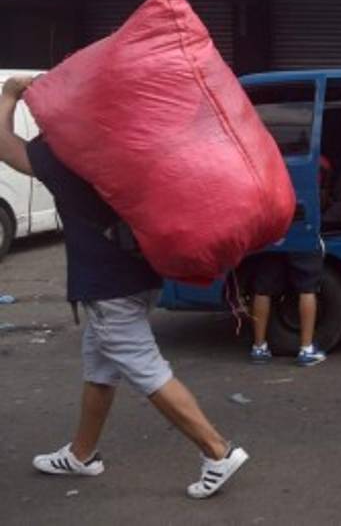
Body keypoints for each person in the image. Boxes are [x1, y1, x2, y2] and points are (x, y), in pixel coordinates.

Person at [0, 75, 248, 499]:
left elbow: (4, 147)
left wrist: (9, 96)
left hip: (106, 283)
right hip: (141, 272)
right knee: (100, 367)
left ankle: (217, 450)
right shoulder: (127, 144)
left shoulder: (63, 154)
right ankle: (81, 454)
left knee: (141, 365)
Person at [247, 251, 327, 367]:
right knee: (307, 288)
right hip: (302, 239)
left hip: (272, 240)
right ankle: (306, 350)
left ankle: (259, 348)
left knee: (262, 289)